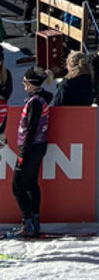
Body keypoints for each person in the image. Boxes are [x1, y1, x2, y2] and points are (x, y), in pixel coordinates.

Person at [9, 67, 52, 238]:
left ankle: (28, 223)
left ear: (32, 84)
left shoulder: (35, 101)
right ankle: (34, 222)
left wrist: (23, 153)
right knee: (31, 184)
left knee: (17, 187)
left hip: (31, 148)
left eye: (25, 82)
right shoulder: (41, 99)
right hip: (38, 146)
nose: (23, 84)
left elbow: (31, 129)